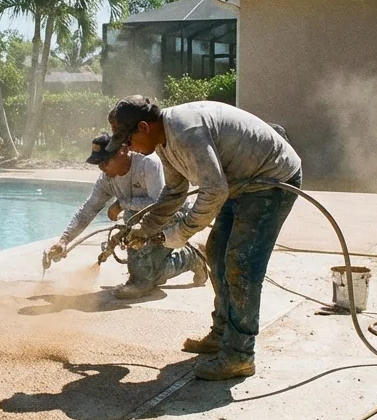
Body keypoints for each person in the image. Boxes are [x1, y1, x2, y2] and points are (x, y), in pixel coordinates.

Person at [106, 96, 303, 380]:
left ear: (143, 128)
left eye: (128, 141)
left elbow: (213, 191)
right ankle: (223, 332)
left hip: (271, 179)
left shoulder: (186, 134)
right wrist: (146, 228)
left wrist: (180, 233)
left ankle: (240, 355)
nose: (128, 149)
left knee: (240, 263)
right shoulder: (164, 140)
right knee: (216, 251)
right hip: (240, 184)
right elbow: (174, 193)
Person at [46, 133, 207, 298]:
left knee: (146, 277)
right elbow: (88, 209)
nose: (102, 168)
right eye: (98, 164)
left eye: (105, 162)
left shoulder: (148, 163)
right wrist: (64, 240)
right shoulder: (107, 179)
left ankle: (186, 259)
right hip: (140, 219)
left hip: (173, 214)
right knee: (150, 272)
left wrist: (122, 203)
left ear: (122, 151)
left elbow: (161, 204)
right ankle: (185, 260)